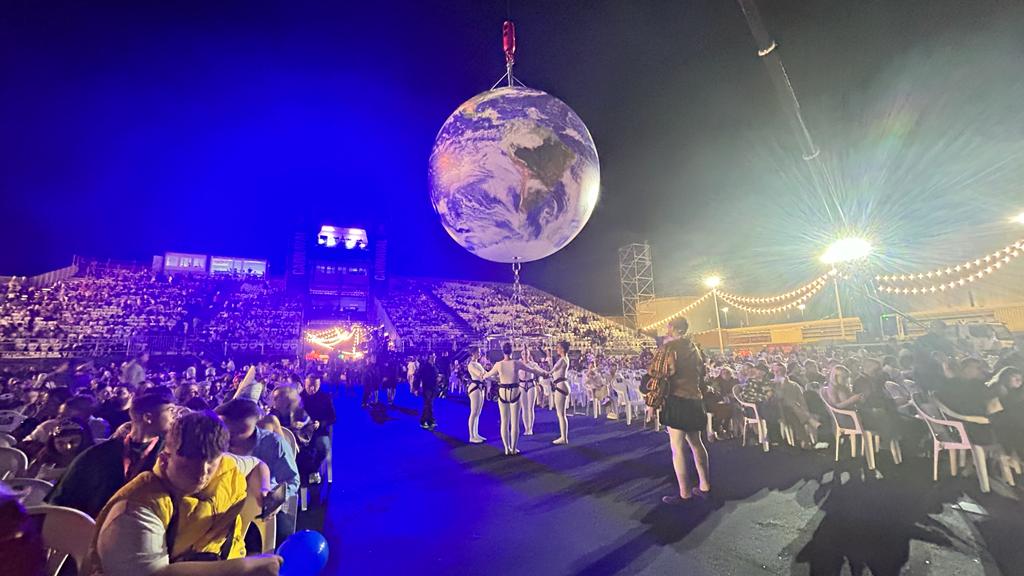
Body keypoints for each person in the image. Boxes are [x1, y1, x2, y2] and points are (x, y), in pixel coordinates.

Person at [83, 410, 284, 576]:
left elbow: (257, 465)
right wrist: (245, 567)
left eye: (210, 463)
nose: (202, 474)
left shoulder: (226, 466)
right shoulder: (136, 510)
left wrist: (264, 489)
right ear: (165, 459)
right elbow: (153, 574)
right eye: (190, 464)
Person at [47, 389, 175, 519]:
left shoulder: (170, 454)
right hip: (98, 524)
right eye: (170, 411)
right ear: (148, 417)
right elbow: (60, 502)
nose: (174, 418)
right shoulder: (98, 455)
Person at [216, 399, 299, 538]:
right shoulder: (216, 440)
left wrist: (275, 498)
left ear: (252, 425)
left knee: (280, 533)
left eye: (236, 432)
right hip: (223, 505)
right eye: (224, 431)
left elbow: (292, 479)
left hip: (258, 504)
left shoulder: (273, 443)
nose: (228, 437)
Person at [658, 318, 711, 504]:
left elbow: (663, 373)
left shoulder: (670, 348)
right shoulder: (695, 348)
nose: (667, 329)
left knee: (677, 447)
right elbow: (702, 374)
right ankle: (705, 485)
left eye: (668, 327)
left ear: (673, 328)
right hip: (695, 399)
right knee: (697, 443)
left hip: (677, 400)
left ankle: (685, 493)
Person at [481, 342, 548, 455]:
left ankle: (506, 448)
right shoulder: (516, 363)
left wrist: (485, 375)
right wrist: (544, 373)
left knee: (504, 422)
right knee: (514, 422)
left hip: (503, 392)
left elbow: (487, 375)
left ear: (503, 351)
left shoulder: (498, 364)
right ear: (512, 351)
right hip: (514, 392)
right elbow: (533, 370)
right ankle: (513, 448)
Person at [27, 417, 95, 481]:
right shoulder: (44, 458)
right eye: (60, 443)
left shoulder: (91, 463)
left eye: (73, 442)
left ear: (84, 441)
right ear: (52, 443)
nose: (67, 447)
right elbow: (27, 481)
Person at [300, 375, 335, 485]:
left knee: (323, 447)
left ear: (319, 385)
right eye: (309, 386)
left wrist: (320, 423)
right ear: (305, 384)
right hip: (301, 432)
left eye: (315, 386)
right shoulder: (299, 397)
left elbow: (332, 418)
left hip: (320, 431)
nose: (312, 389)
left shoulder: (325, 398)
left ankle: (313, 470)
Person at [550, 341, 571, 445]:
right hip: (562, 385)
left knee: (561, 414)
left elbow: (551, 371)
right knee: (562, 414)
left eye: (558, 347)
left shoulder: (562, 360)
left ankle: (564, 437)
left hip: (561, 385)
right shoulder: (565, 359)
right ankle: (563, 436)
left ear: (562, 349)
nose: (556, 349)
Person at [466, 347, 488, 444]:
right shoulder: (471, 365)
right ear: (473, 353)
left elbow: (486, 374)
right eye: (478, 352)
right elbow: (480, 374)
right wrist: (486, 375)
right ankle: (471, 436)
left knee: (478, 412)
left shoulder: (478, 364)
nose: (479, 354)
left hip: (480, 387)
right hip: (475, 388)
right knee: (474, 412)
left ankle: (476, 434)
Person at [519, 348, 541, 435]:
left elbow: (539, 370)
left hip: (531, 385)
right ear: (521, 355)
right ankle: (526, 428)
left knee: (530, 408)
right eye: (523, 354)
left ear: (529, 355)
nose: (525, 356)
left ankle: (530, 428)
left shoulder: (533, 364)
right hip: (522, 385)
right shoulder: (519, 363)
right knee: (524, 408)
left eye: (526, 354)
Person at [414, 355, 439, 430]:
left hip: (433, 388)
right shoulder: (424, 367)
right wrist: (416, 388)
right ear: (429, 358)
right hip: (427, 388)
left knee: (430, 405)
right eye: (432, 357)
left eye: (434, 357)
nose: (434, 358)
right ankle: (423, 421)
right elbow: (418, 377)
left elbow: (435, 377)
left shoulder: (434, 367)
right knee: (427, 405)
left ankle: (430, 420)